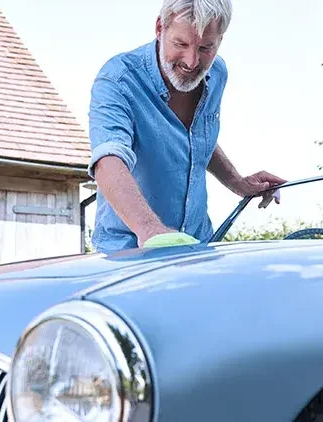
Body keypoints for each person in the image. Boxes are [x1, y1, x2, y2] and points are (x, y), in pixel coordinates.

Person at [87, 0, 286, 253]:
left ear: (220, 40)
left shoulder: (217, 75)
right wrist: (151, 231)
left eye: (206, 48)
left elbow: (196, 136)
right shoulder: (118, 79)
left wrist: (238, 183)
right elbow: (109, 159)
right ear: (160, 28)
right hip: (129, 255)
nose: (192, 62)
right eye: (181, 44)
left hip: (196, 247)